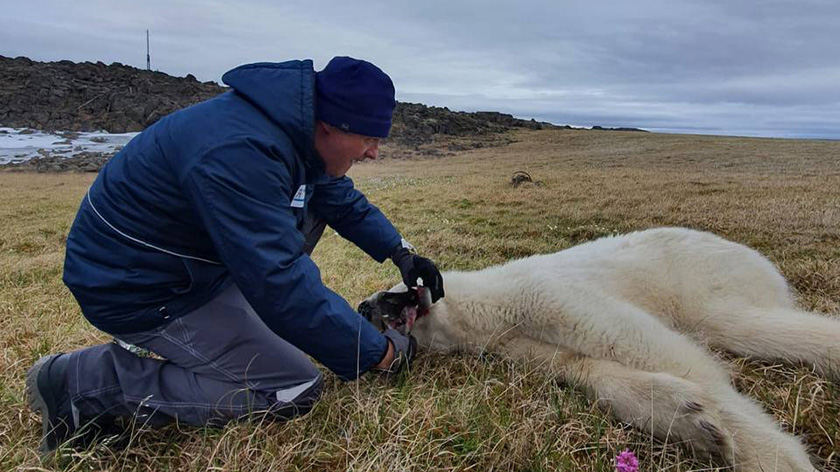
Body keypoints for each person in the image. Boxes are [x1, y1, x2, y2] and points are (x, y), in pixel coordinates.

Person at [25, 56, 445, 454]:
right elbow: (278, 280)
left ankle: (244, 325)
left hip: (186, 267)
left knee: (308, 233)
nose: (374, 152)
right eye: (369, 138)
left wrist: (402, 253)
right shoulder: (240, 152)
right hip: (137, 286)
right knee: (291, 386)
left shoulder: (294, 134)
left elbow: (339, 201)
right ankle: (82, 384)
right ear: (331, 124)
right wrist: (379, 354)